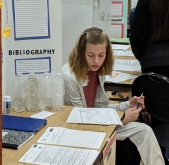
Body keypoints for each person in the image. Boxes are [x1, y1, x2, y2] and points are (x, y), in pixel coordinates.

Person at [62, 27, 165, 165]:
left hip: (97, 122)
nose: (97, 61)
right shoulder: (70, 77)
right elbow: (80, 122)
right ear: (81, 53)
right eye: (91, 55)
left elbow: (101, 108)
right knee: (136, 137)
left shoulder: (97, 71)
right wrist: (121, 119)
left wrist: (127, 105)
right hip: (82, 130)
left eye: (101, 55)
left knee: (145, 130)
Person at [130, 0, 169, 163]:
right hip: (154, 63)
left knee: (159, 114)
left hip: (153, 67)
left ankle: (158, 157)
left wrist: (145, 60)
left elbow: (137, 37)